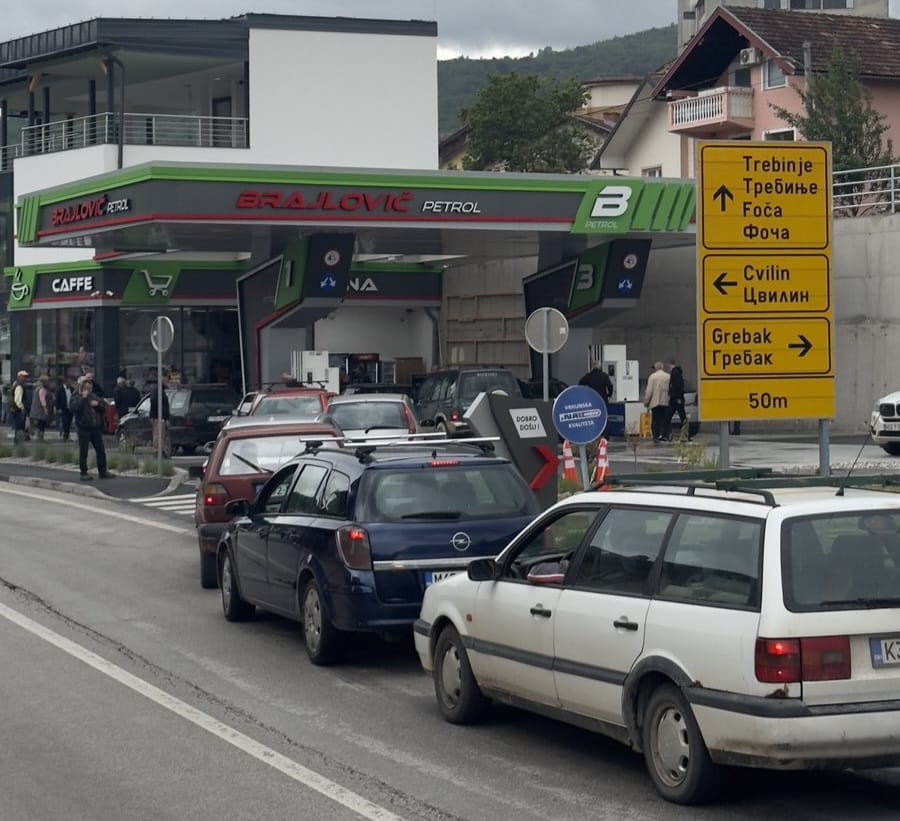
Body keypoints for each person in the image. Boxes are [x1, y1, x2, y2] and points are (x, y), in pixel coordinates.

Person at [70, 377, 113, 480]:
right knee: (84, 450)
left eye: (90, 388)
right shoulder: (76, 396)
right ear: (82, 388)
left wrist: (97, 405)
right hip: (83, 428)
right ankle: (84, 473)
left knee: (100, 450)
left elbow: (104, 406)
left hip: (95, 427)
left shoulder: (93, 396)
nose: (89, 390)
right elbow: (75, 408)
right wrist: (83, 398)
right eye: (86, 388)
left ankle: (102, 471)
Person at [644, 360, 670, 444]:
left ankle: (656, 436)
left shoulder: (652, 377)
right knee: (665, 419)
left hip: (655, 402)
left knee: (655, 419)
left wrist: (646, 401)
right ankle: (665, 435)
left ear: (656, 368)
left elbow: (649, 391)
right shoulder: (668, 376)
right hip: (665, 401)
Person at [665, 357, 688, 440]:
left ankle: (669, 435)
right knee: (681, 417)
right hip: (676, 398)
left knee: (669, 417)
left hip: (676, 399)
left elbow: (678, 386)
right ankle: (684, 435)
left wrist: (677, 396)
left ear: (669, 364)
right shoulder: (676, 372)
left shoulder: (675, 373)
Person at [29, 374, 55, 441]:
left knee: (40, 424)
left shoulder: (38, 388)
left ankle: (39, 436)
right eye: (47, 381)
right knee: (40, 424)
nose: (48, 383)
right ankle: (39, 437)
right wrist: (45, 409)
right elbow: (42, 400)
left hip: (37, 411)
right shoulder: (42, 389)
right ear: (44, 381)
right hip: (40, 411)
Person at [149, 380, 171, 457]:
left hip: (159, 417)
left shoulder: (159, 391)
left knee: (161, 434)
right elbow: (156, 404)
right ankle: (158, 451)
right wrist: (164, 417)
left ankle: (160, 450)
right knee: (158, 434)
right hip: (158, 417)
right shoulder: (158, 392)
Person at [10, 370, 29, 443]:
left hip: (15, 409)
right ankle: (18, 443)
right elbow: (18, 400)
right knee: (19, 427)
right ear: (19, 377)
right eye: (24, 376)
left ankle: (18, 442)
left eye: (25, 377)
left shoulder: (16, 384)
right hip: (18, 410)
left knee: (18, 427)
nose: (25, 378)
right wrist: (22, 408)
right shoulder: (19, 387)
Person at [56, 376, 75, 441]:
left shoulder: (72, 389)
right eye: (69, 382)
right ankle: (65, 435)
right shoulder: (60, 389)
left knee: (69, 422)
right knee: (65, 422)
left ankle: (67, 434)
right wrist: (58, 408)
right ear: (65, 382)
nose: (70, 383)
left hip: (70, 408)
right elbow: (57, 399)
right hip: (63, 408)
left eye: (71, 382)